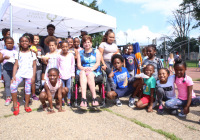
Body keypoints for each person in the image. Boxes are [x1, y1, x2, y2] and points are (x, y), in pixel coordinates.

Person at [10, 36, 37, 115]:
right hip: (20, 73)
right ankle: (15, 104)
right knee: (13, 86)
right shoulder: (18, 53)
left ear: (29, 43)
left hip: (29, 74)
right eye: (22, 41)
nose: (24, 42)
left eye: (26, 41)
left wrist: (33, 77)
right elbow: (15, 65)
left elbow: (34, 66)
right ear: (20, 43)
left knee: (27, 90)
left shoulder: (32, 53)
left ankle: (26, 105)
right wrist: (13, 76)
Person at [77, 35, 101, 109]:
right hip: (83, 69)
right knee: (82, 73)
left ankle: (94, 98)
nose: (87, 44)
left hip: (94, 70)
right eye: (85, 43)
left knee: (90, 74)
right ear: (83, 44)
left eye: (88, 42)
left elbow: (98, 63)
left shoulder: (96, 51)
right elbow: (79, 65)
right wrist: (84, 68)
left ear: (91, 43)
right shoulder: (79, 53)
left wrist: (91, 69)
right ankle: (83, 98)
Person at [0, 37, 17, 106]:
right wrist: (4, 58)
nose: (9, 44)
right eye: (8, 43)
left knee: (14, 84)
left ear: (13, 44)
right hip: (6, 69)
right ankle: (8, 97)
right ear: (5, 44)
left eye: (11, 43)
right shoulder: (3, 51)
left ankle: (14, 97)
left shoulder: (15, 51)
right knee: (7, 84)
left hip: (14, 69)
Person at [57, 40, 75, 106]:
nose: (65, 48)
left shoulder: (71, 55)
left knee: (69, 88)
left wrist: (72, 73)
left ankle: (69, 100)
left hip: (69, 75)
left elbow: (72, 65)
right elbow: (58, 65)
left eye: (66, 47)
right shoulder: (59, 56)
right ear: (61, 47)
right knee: (62, 89)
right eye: (63, 47)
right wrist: (58, 74)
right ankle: (62, 100)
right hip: (61, 76)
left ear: (68, 47)